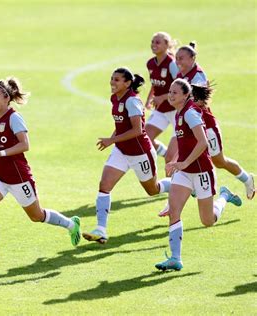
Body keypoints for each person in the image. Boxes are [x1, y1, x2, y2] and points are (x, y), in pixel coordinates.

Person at [0, 77, 81, 270]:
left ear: (6, 98)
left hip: (18, 177)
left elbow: (25, 145)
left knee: (37, 216)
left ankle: (71, 224)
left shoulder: (14, 117)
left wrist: (0, 152)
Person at [155, 79, 242, 271]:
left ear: (186, 95)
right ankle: (175, 258)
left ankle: (225, 196)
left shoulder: (191, 114)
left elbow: (203, 142)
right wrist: (175, 162)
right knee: (174, 212)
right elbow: (185, 143)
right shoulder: (178, 113)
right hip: (184, 173)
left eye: (175, 92)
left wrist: (184, 162)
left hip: (202, 172)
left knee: (207, 221)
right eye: (170, 91)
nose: (170, 95)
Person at [82, 67, 171, 244]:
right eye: (112, 78)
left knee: (152, 190)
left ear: (127, 83)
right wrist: (113, 139)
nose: (112, 83)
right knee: (104, 185)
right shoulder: (115, 98)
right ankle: (101, 229)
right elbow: (121, 125)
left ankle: (181, 184)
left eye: (117, 80)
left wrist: (111, 140)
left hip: (140, 153)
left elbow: (138, 130)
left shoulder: (132, 102)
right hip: (122, 151)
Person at [175, 42, 254, 200]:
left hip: (206, 126)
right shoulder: (181, 76)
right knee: (185, 159)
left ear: (192, 58)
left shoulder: (198, 77)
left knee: (219, 161)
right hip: (189, 127)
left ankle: (247, 179)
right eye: (176, 58)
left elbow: (200, 102)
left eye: (181, 58)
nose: (177, 62)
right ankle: (193, 190)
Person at [145, 32, 179, 164]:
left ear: (167, 45)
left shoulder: (171, 63)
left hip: (176, 111)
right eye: (153, 42)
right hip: (161, 110)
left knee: (173, 157)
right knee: (144, 139)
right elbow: (155, 83)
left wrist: (163, 97)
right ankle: (165, 154)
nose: (154, 45)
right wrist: (149, 99)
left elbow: (180, 86)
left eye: (158, 42)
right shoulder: (150, 64)